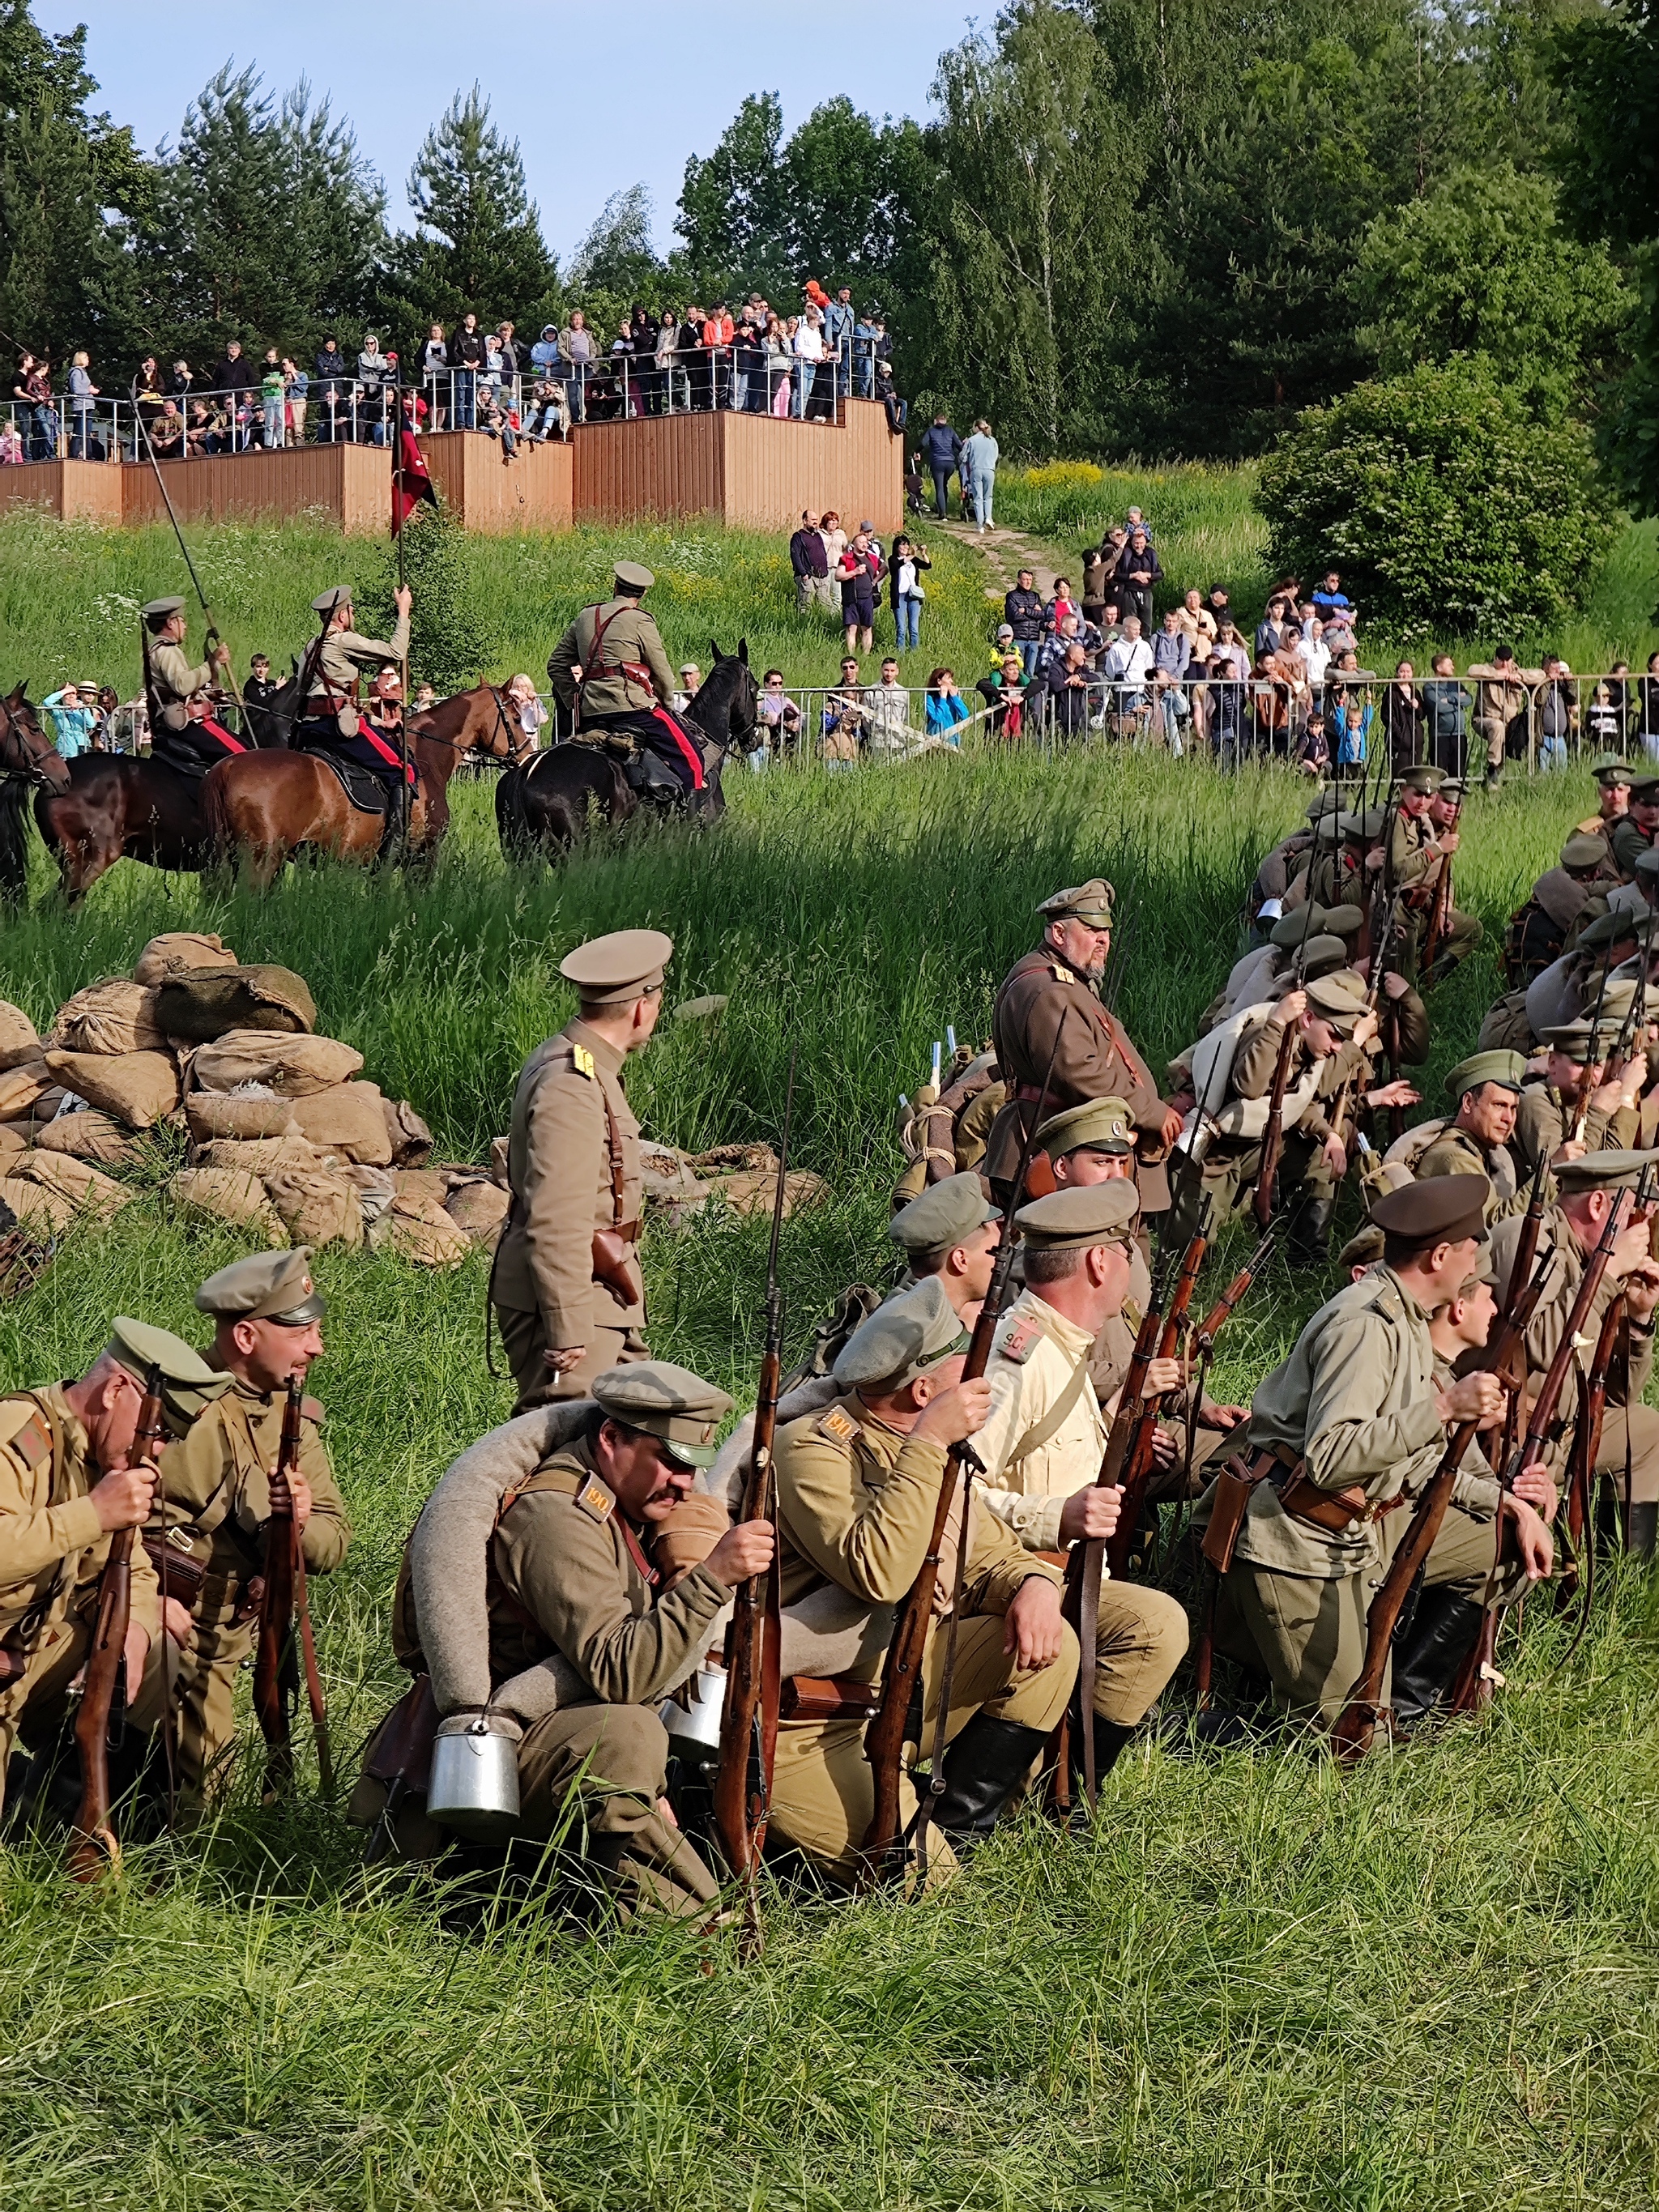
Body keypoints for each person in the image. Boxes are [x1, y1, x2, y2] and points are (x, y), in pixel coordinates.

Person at [369, 1360, 771, 1920]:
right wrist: (713, 1577)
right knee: (628, 1735)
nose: (684, 1483)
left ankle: (635, 1905)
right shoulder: (558, 1515)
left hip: (557, 1741)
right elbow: (622, 1673)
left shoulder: (627, 1504)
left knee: (698, 1903)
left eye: (693, 1468)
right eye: (672, 1463)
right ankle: (577, 1912)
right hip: (498, 1755)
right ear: (610, 1438)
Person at [766, 1278, 1079, 1886]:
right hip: (811, 1716)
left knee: (1049, 1647)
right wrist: (930, 1439)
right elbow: (880, 1570)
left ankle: (959, 1834)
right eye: (967, 1364)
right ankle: (845, 1865)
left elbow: (994, 1555)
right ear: (925, 1388)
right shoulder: (812, 1448)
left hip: (899, 1685)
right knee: (934, 1892)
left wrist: (1036, 1583)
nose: (981, 1377)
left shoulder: (931, 1451)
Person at [1200, 1177, 1544, 1721]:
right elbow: (1332, 1458)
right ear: (1440, 1256)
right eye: (1472, 1250)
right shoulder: (1365, 1325)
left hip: (1339, 1538)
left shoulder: (1403, 1320)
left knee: (1366, 1732)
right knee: (1345, 1746)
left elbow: (1415, 1458)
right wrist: (1444, 1409)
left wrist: (1509, 1503)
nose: (1479, 1263)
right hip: (1291, 1541)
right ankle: (1190, 1730)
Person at [0, 1319, 232, 1818]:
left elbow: (141, 1574)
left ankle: (62, 1814)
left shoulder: (96, 1460)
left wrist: (136, 1633)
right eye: (158, 1431)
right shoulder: (20, 1436)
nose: (159, 1451)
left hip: (25, 1657)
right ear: (114, 1393)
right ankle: (21, 1796)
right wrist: (92, 1514)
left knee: (163, 1645)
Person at [147, 1251, 350, 1813]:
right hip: (182, 1626)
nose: (317, 1346)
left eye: (317, 1329)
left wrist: (301, 1523)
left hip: (253, 1626)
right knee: (203, 1804)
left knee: (233, 1788)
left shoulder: (292, 1414)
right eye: (302, 1331)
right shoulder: (177, 1405)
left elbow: (335, 1540)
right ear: (244, 1335)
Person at [490, 928, 671, 1410]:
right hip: (577, 1297)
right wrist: (568, 1325)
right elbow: (557, 1215)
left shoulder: (586, 1067)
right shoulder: (572, 1083)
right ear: (641, 1007)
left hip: (603, 1292)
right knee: (563, 1446)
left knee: (632, 1433)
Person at [1488, 1149, 1659, 1555]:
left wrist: (1639, 1319)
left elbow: (1617, 1397)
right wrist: (1607, 1273)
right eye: (1634, 1209)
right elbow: (1540, 1346)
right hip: (1511, 1436)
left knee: (1648, 1431)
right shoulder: (1528, 1238)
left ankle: (1622, 1577)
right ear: (1600, 1204)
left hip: (1564, 1432)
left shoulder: (1591, 1262)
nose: (1644, 1224)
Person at [983, 879, 1183, 1218]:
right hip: (1055, 1151)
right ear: (1059, 934)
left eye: (1105, 931)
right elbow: (1079, 1072)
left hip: (1072, 1146)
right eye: (1091, 930)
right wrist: (1150, 1111)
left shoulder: (1066, 981)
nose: (1103, 940)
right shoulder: (1050, 990)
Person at [546, 562, 707, 804]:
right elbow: (661, 671)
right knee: (692, 757)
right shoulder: (639, 620)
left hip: (590, 713)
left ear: (615, 586)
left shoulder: (585, 616)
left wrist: (575, 699)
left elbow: (556, 665)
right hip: (632, 709)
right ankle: (690, 818)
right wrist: (665, 703)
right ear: (642, 594)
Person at [290, 584, 414, 810]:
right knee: (403, 768)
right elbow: (396, 652)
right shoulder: (342, 640)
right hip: (337, 727)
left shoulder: (310, 646)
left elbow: (308, 691)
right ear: (342, 615)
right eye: (352, 611)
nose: (353, 615)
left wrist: (380, 722)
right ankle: (398, 843)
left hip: (309, 728)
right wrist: (403, 611)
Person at [1412, 1053, 1530, 1221]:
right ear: (1468, 1103)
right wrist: (1549, 1176)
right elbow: (1493, 1225)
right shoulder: (1455, 1158)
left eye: (1513, 1108)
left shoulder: (1481, 1150)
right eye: (1499, 1105)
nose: (1509, 1118)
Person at [141, 596, 240, 777]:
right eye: (182, 620)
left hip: (173, 717)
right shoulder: (167, 650)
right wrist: (213, 662)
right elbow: (181, 686)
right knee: (243, 756)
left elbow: (174, 689)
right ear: (171, 623)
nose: (185, 626)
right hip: (187, 722)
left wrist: (208, 694)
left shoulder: (157, 650)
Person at [837, 531, 882, 658]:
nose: (865, 544)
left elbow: (884, 568)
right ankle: (851, 656)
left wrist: (875, 581)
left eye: (866, 542)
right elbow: (838, 576)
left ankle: (866, 656)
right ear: (854, 544)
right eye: (861, 542)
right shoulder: (846, 558)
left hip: (867, 598)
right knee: (852, 628)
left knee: (867, 628)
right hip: (851, 597)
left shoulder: (872, 558)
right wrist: (854, 572)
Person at [888, 532, 931, 653]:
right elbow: (899, 564)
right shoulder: (893, 559)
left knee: (914, 628)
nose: (905, 548)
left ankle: (914, 652)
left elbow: (927, 566)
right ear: (897, 547)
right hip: (900, 596)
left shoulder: (913, 559)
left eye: (907, 546)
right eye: (902, 545)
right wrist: (913, 553)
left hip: (913, 596)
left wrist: (923, 554)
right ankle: (900, 652)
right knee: (901, 628)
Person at [1113, 526, 1162, 631]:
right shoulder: (1126, 554)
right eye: (1136, 543)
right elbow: (1117, 575)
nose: (1139, 546)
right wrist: (1134, 576)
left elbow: (1160, 574)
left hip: (1146, 592)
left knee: (1146, 624)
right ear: (1131, 542)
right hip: (1130, 592)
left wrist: (1147, 575)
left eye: (1141, 543)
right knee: (1130, 623)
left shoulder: (1151, 554)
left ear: (1145, 542)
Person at [790, 509, 835, 619]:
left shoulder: (817, 535)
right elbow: (795, 556)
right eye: (813, 520)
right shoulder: (798, 536)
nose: (816, 522)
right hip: (808, 576)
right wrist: (803, 573)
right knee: (806, 604)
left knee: (827, 605)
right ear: (805, 521)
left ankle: (830, 625)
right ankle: (803, 626)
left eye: (816, 519)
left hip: (822, 576)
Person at [919, 412, 963, 518]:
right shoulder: (950, 431)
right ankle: (942, 508)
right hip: (950, 463)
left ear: (936, 421)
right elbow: (959, 446)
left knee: (939, 487)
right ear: (945, 421)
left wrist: (916, 452)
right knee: (944, 485)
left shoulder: (931, 431)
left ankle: (942, 513)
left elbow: (923, 444)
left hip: (937, 462)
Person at [959, 419, 999, 532]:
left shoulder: (971, 440)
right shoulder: (993, 441)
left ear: (977, 428)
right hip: (990, 470)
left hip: (976, 470)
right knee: (988, 496)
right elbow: (995, 456)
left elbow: (963, 457)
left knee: (978, 498)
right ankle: (989, 518)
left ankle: (980, 525)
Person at [42, 684, 96, 758]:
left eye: (73, 693)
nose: (71, 696)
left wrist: (82, 709)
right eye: (68, 693)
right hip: (66, 748)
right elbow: (46, 702)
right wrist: (64, 691)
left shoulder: (81, 709)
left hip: (83, 746)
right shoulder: (58, 711)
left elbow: (91, 724)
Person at [925, 667, 971, 746]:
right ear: (939, 681)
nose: (951, 681)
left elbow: (964, 715)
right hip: (934, 737)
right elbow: (937, 718)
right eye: (948, 678)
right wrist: (943, 698)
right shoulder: (931, 697)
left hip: (952, 737)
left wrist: (955, 698)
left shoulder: (953, 698)